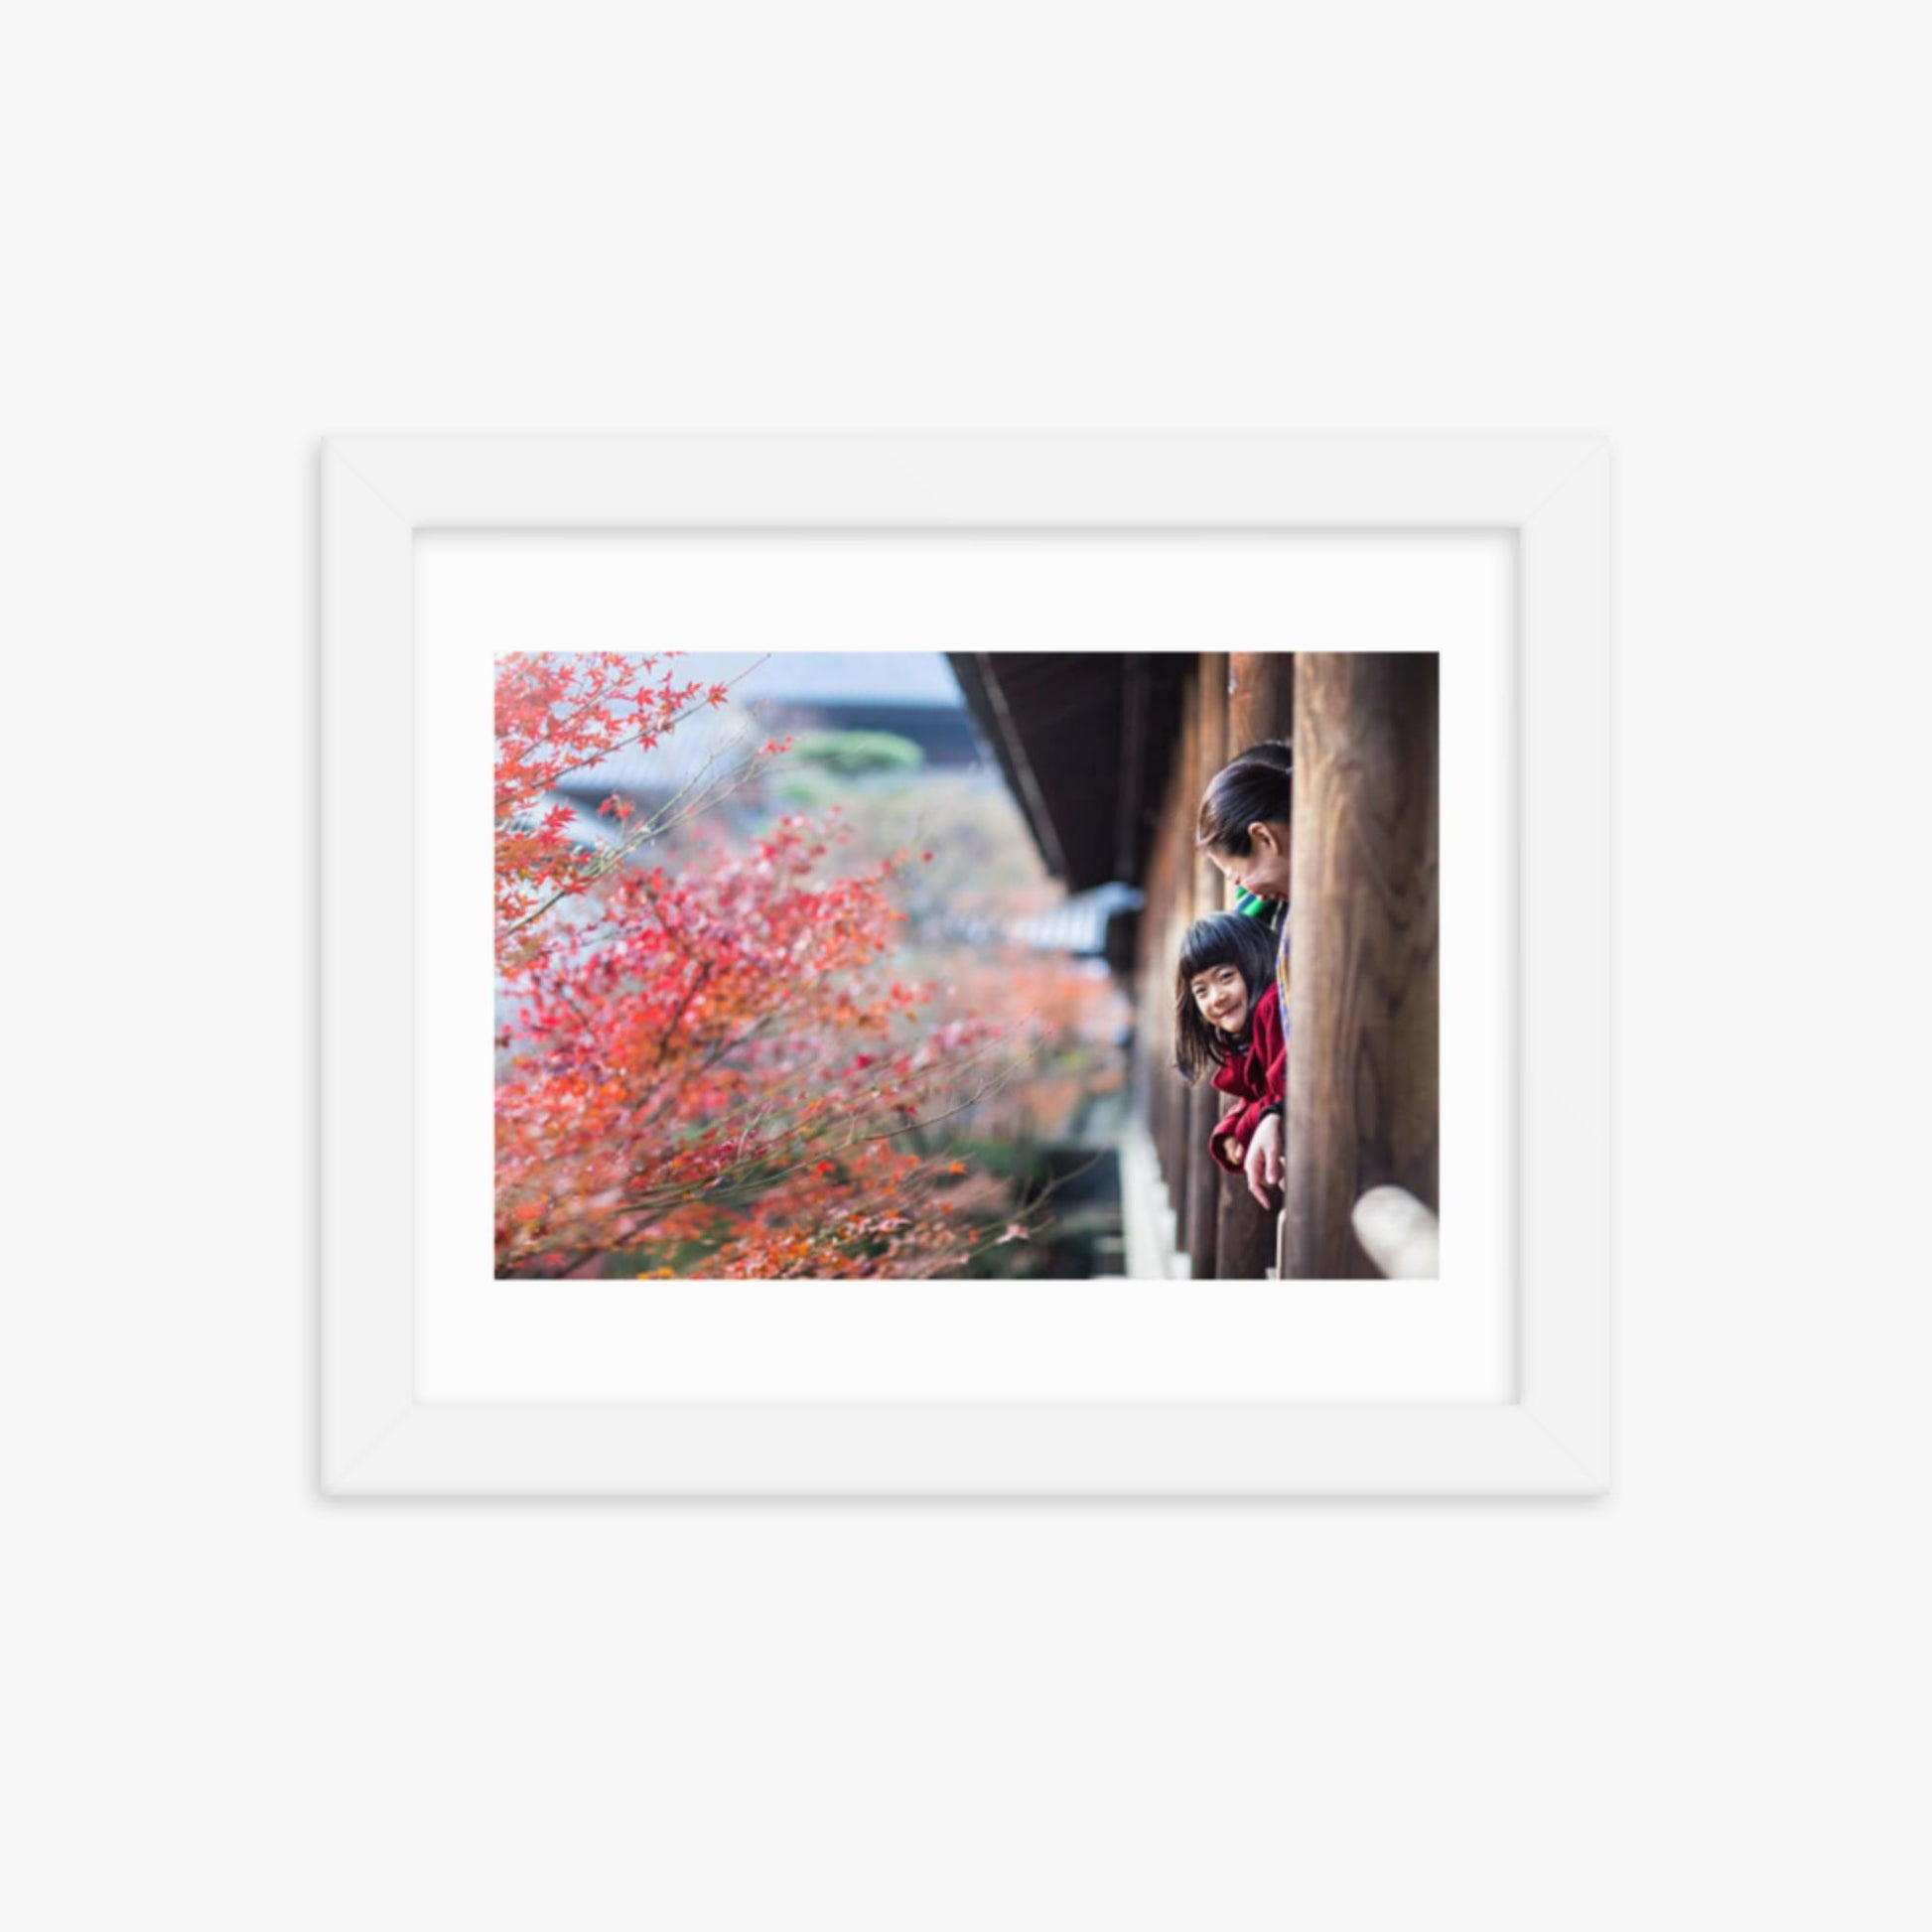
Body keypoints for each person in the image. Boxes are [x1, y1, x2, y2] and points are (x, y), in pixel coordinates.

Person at [1194, 752, 1293, 1204]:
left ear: (1265, 837)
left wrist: (1275, 1111)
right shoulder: (1282, 914)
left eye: (1238, 876)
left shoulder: (1300, 919)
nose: (1244, 893)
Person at [1173, 911, 1285, 1206]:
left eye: (1226, 977)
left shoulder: (1271, 1007)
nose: (1216, 997)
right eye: (1201, 990)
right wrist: (1229, 1131)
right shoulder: (1236, 1041)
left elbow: (1281, 1094)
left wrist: (1242, 1127)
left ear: (1253, 963)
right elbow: (1257, 1097)